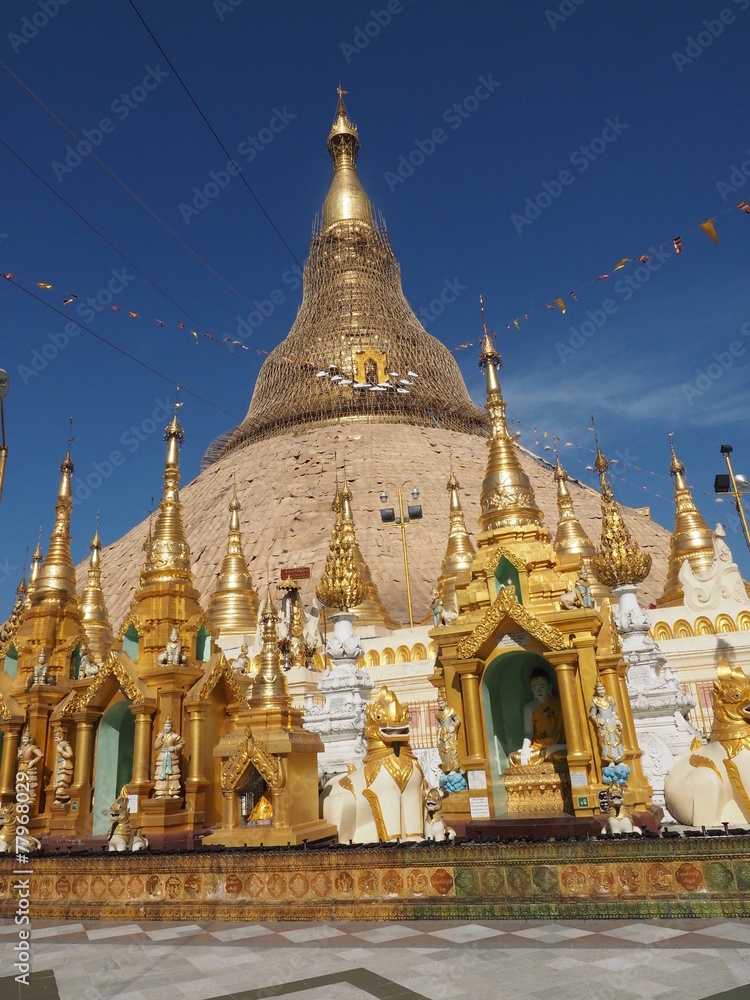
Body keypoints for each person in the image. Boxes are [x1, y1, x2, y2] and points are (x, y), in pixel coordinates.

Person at [508, 668, 567, 766]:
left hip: (558, 745)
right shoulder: (528, 707)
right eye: (534, 687)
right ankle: (550, 750)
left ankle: (554, 749)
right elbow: (528, 732)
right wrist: (525, 748)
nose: (538, 691)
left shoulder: (558, 704)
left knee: (564, 755)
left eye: (542, 686)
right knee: (514, 758)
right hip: (538, 747)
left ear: (550, 687)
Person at [589, 679, 625, 764]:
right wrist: (598, 720)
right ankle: (610, 761)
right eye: (599, 690)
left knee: (617, 740)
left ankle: (619, 759)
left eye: (602, 689)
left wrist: (617, 720)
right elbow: (592, 715)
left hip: (612, 722)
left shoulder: (610, 699)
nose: (601, 691)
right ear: (596, 691)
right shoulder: (595, 701)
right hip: (604, 725)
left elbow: (614, 712)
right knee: (607, 742)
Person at [153, 717, 185, 798]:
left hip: (171, 756)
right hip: (163, 756)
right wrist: (159, 738)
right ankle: (161, 792)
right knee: (161, 774)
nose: (167, 728)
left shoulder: (174, 736)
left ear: (171, 727)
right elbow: (155, 747)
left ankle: (173, 792)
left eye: (168, 726)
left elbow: (182, 743)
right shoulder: (161, 736)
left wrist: (174, 748)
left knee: (172, 774)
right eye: (165, 726)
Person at [17, 728, 45, 804]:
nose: (24, 740)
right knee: (21, 782)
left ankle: (31, 798)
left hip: (29, 767)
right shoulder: (22, 747)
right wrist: (19, 754)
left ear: (30, 739)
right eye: (23, 739)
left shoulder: (32, 747)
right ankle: (22, 798)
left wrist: (33, 762)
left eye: (25, 739)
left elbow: (40, 755)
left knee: (31, 782)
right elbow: (19, 758)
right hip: (22, 767)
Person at [436, 697, 461, 773]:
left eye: (442, 703)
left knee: (451, 749)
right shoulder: (437, 713)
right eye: (439, 703)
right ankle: (446, 768)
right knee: (443, 751)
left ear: (445, 702)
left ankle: (454, 767)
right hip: (442, 734)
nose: (440, 705)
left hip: (450, 733)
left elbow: (457, 720)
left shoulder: (451, 710)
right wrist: (438, 735)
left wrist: (453, 726)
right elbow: (439, 725)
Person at [53, 728, 74, 804]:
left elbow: (70, 754)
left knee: (63, 781)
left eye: (56, 738)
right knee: (59, 781)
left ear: (61, 738)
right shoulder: (58, 745)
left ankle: (62, 798)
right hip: (61, 764)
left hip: (65, 764)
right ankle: (59, 797)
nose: (55, 740)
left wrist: (61, 751)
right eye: (54, 738)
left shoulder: (65, 744)